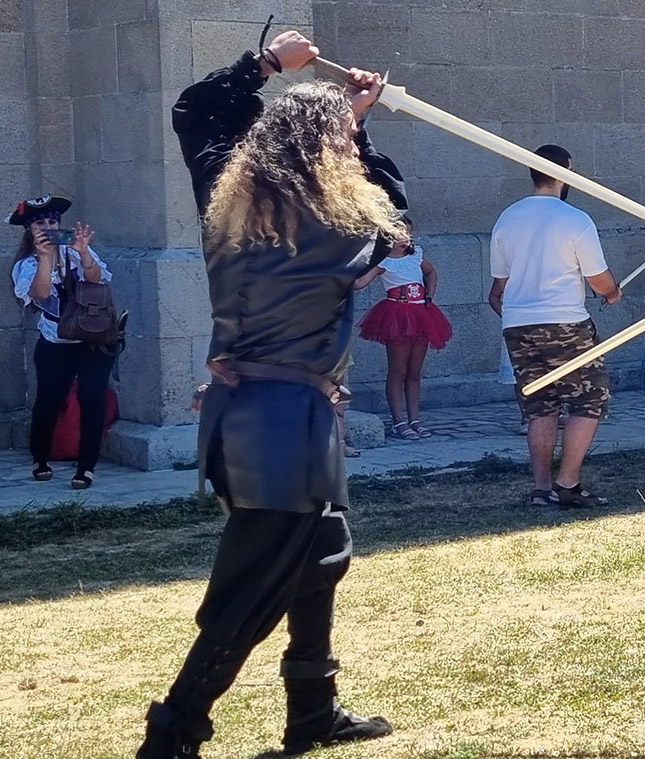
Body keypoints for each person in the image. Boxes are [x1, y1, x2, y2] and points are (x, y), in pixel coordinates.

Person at [136, 30, 407, 758]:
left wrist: (262, 66)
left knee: (322, 551)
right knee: (248, 591)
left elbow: (196, 111)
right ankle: (173, 734)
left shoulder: (226, 201)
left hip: (254, 416)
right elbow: (398, 217)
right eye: (341, 145)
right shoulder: (335, 224)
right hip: (283, 426)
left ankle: (313, 712)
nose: (349, 154)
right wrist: (362, 122)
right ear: (325, 153)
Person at [488, 144, 620, 508]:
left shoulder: (507, 219)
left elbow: (499, 287)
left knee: (540, 406)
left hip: (518, 327)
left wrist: (519, 316)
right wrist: (613, 292)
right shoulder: (574, 220)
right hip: (566, 324)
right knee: (589, 400)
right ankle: (567, 482)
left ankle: (542, 488)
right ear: (566, 173)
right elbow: (599, 281)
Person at [9, 195, 115, 490]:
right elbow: (41, 294)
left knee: (92, 397)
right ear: (30, 231)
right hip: (55, 340)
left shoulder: (74, 251)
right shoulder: (26, 264)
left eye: (52, 221)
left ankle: (87, 466)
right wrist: (45, 257)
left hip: (92, 335)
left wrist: (84, 253)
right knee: (49, 399)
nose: (47, 227)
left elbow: (98, 279)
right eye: (39, 224)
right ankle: (40, 457)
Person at [355, 217, 452, 439]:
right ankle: (398, 420)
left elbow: (431, 272)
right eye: (399, 234)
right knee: (398, 370)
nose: (404, 239)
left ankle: (415, 419)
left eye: (408, 234)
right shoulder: (383, 262)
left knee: (414, 371)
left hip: (421, 314)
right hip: (397, 316)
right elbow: (359, 283)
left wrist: (429, 295)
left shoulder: (416, 256)